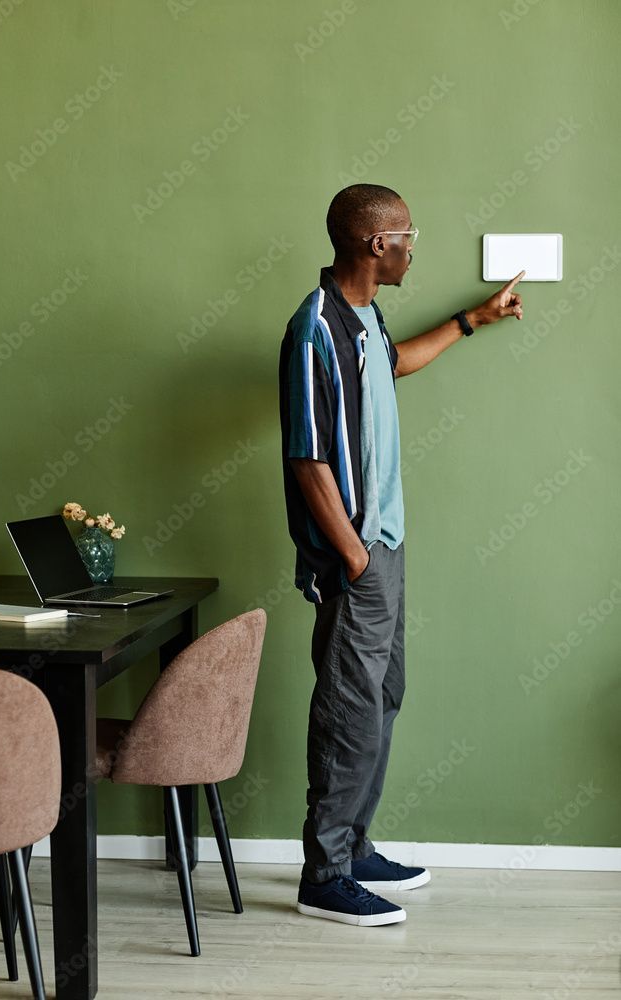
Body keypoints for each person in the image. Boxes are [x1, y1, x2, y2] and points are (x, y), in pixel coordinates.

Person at [278, 183, 524, 927]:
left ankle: (351, 848)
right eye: (408, 235)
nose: (415, 246)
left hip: (385, 543)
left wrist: (468, 322)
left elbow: (391, 366)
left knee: (383, 698)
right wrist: (352, 557)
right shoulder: (313, 328)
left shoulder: (362, 319)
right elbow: (307, 460)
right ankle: (323, 875)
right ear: (374, 244)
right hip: (357, 555)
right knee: (349, 709)